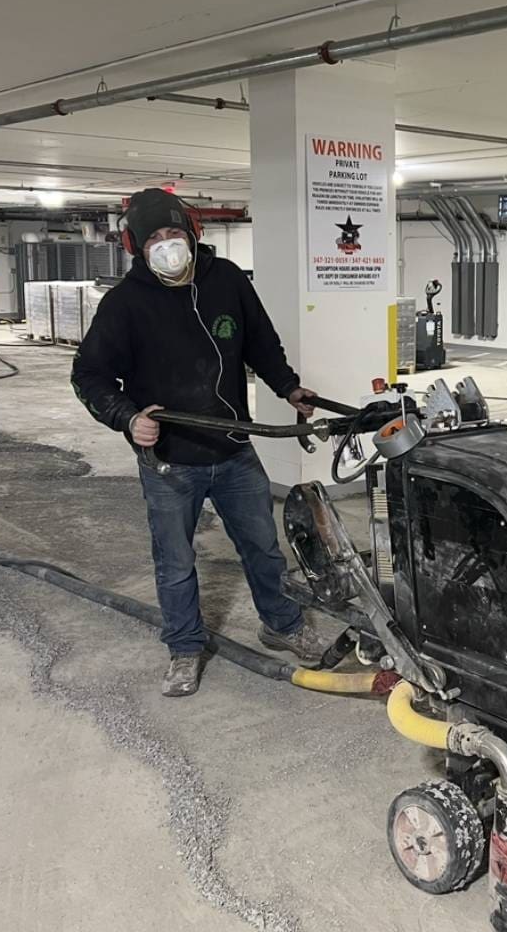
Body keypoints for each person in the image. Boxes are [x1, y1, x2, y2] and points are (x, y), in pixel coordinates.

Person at [71, 188, 320, 697]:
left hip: (234, 448)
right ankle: (184, 648)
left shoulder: (225, 280)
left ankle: (282, 625)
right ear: (135, 246)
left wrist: (289, 387)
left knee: (264, 549)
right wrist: (127, 417)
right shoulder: (125, 303)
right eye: (155, 238)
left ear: (193, 234)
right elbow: (89, 375)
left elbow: (261, 342)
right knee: (176, 563)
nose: (167, 244)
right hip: (170, 462)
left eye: (174, 233)